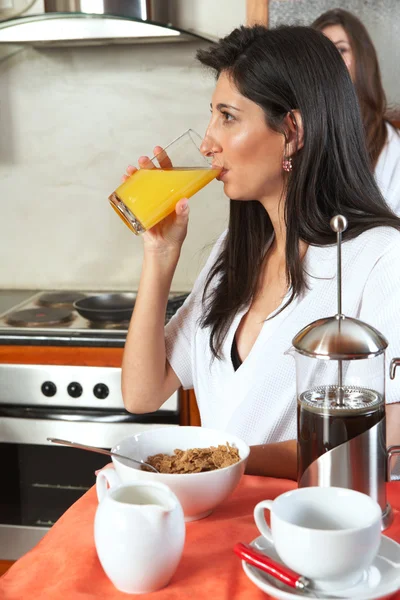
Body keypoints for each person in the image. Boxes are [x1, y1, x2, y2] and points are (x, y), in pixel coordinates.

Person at [121, 25, 400, 480]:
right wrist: (159, 255)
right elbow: (142, 393)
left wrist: (224, 463)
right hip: (220, 524)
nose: (207, 142)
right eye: (212, 115)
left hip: (309, 532)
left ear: (292, 131)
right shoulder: (238, 252)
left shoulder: (382, 258)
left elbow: (387, 434)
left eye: (228, 117)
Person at [312, 8, 400, 214]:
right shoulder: (297, 131)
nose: (331, 59)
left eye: (341, 50)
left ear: (362, 60)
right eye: (322, 52)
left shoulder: (390, 144)